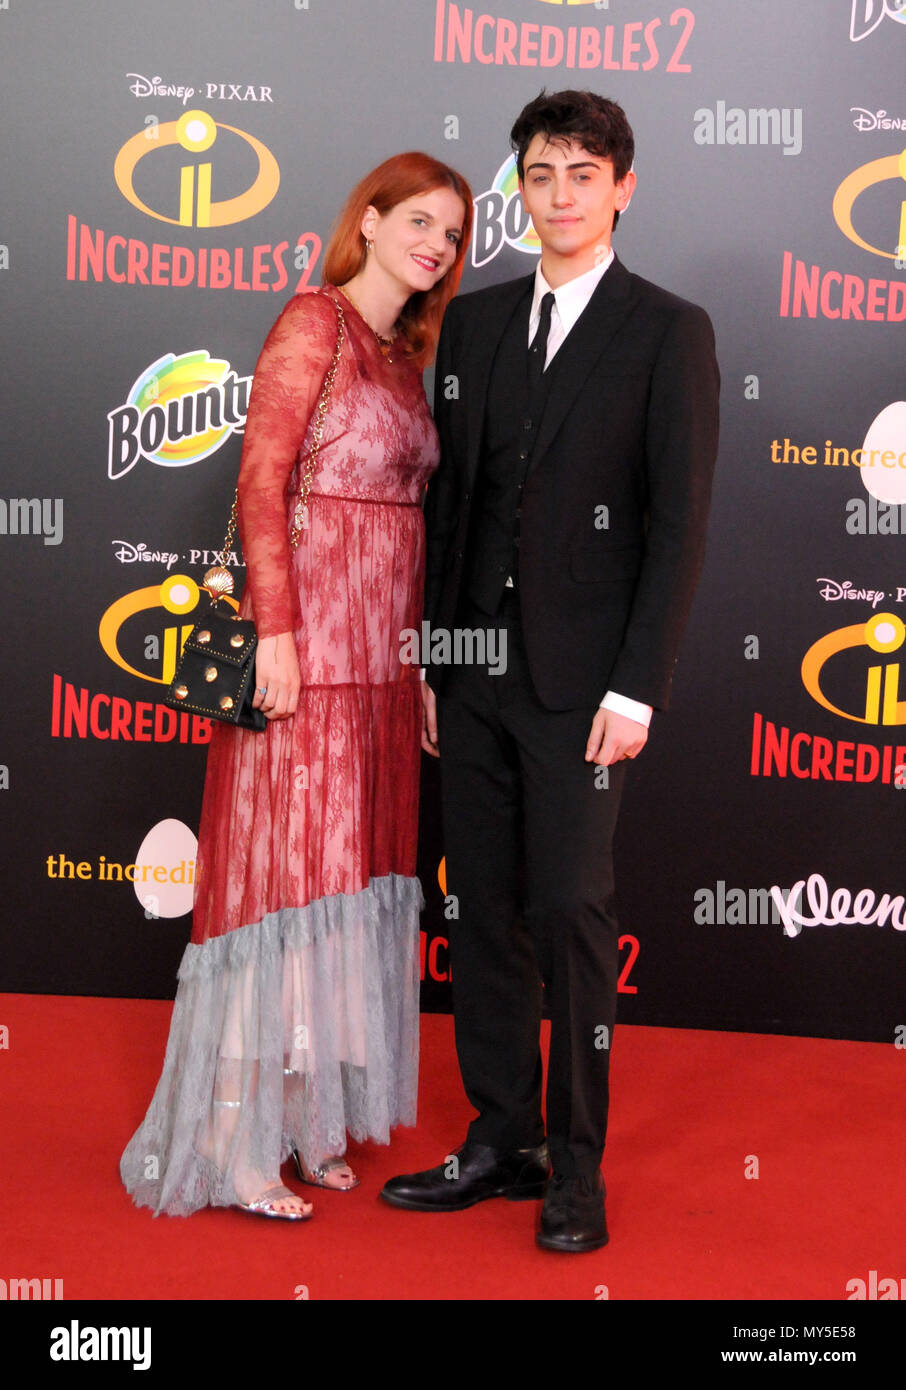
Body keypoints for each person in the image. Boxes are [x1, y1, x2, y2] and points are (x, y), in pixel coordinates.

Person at [381, 91, 720, 1251]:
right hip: (471, 677)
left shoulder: (668, 331)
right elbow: (450, 506)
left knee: (570, 914)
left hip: (585, 692)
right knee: (479, 915)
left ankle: (577, 1166)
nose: (561, 194)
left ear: (624, 186)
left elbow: (677, 526)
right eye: (540, 174)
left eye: (583, 172)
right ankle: (502, 1138)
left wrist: (639, 687)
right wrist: (434, 657)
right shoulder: (470, 329)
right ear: (517, 191)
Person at [120, 152, 472, 1220]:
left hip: (377, 668)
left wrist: (415, 669)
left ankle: (308, 1120)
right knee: (281, 892)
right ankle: (231, 1144)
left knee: (343, 897)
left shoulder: (408, 356)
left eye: (453, 235)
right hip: (306, 657)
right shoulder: (311, 320)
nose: (435, 246)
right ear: (365, 219)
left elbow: (411, 530)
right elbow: (260, 477)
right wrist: (276, 632)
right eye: (417, 220)